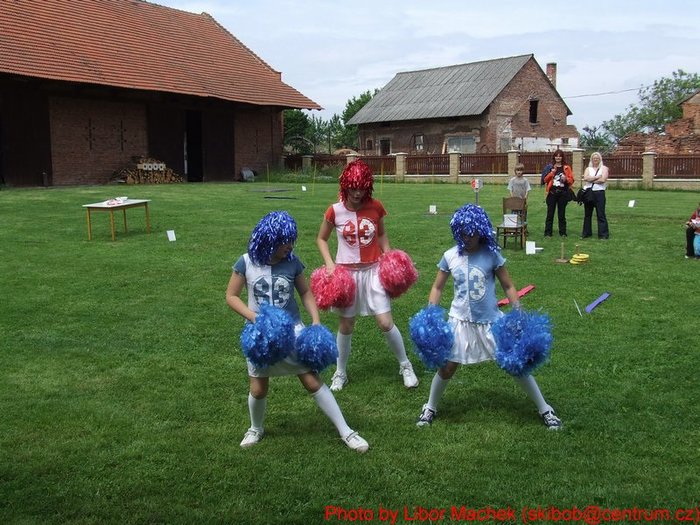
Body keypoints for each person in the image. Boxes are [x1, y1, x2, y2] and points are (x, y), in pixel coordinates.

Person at [226, 211, 369, 452]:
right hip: (261, 336)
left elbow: (305, 292)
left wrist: (315, 321)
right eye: (285, 241)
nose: (290, 246)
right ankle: (255, 428)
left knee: (312, 380)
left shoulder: (292, 262)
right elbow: (231, 296)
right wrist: (255, 318)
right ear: (270, 239)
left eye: (292, 240)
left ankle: (346, 431)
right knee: (258, 389)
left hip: (292, 331)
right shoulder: (246, 262)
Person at [415, 204, 562, 430]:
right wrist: (430, 314)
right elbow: (437, 287)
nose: (468, 238)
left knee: (515, 363)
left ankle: (545, 409)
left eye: (472, 233)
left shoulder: (491, 255)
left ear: (481, 231)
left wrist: (518, 312)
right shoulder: (450, 256)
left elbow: (508, 285)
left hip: (491, 322)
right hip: (460, 322)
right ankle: (430, 407)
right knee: (447, 368)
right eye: (463, 233)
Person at [317, 160, 419, 391]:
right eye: (353, 188)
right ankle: (340, 372)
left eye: (362, 188)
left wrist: (389, 256)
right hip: (346, 275)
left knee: (385, 322)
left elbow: (381, 235)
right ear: (346, 186)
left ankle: (405, 365)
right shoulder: (335, 210)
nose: (357, 193)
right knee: (346, 325)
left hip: (373, 272)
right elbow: (321, 238)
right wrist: (330, 263)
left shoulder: (375, 207)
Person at [543, 149, 574, 237]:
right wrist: (551, 173)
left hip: (563, 194)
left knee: (561, 214)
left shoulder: (567, 167)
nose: (558, 157)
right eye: (556, 156)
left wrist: (566, 179)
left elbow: (572, 180)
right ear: (554, 157)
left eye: (560, 156)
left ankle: (563, 233)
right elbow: (545, 180)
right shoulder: (550, 167)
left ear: (562, 157)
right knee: (550, 214)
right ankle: (548, 233)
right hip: (552, 193)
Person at [581, 152, 610, 239]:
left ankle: (603, 234)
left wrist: (591, 179)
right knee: (587, 214)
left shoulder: (604, 168)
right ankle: (586, 233)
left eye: (597, 158)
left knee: (601, 214)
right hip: (589, 193)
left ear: (600, 159)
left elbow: (603, 179)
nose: (595, 159)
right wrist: (597, 177)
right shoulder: (588, 169)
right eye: (594, 158)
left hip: (599, 193)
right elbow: (585, 178)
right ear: (591, 159)